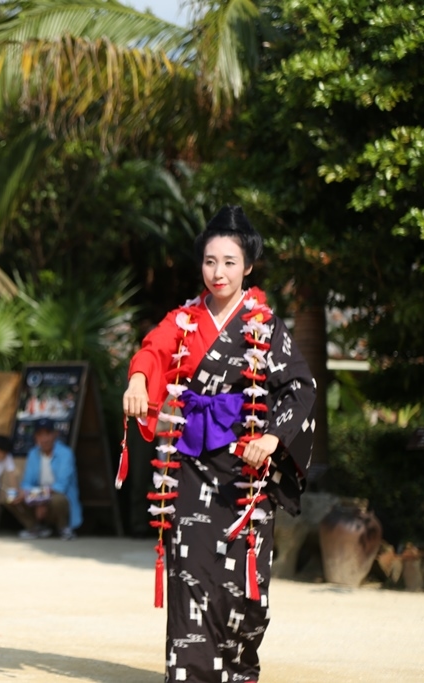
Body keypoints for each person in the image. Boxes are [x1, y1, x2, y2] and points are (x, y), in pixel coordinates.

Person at [121, 205, 317, 683]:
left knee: (246, 593)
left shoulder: (264, 326)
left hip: (247, 472)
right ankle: (190, 674)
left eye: (229, 262)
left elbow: (300, 388)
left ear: (247, 266)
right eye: (210, 261)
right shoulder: (184, 318)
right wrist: (140, 381)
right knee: (189, 571)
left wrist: (271, 437)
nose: (218, 272)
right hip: (190, 465)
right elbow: (152, 349)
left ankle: (238, 669)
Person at [7, 419, 81, 540]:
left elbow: (61, 487)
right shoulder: (33, 454)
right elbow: (26, 483)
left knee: (59, 499)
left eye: (48, 433)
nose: (44, 439)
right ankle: (34, 528)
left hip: (57, 498)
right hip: (39, 497)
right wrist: (35, 498)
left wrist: (40, 498)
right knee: (12, 496)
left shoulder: (66, 454)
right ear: (35, 437)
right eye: (40, 434)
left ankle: (64, 528)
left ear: (55, 434)